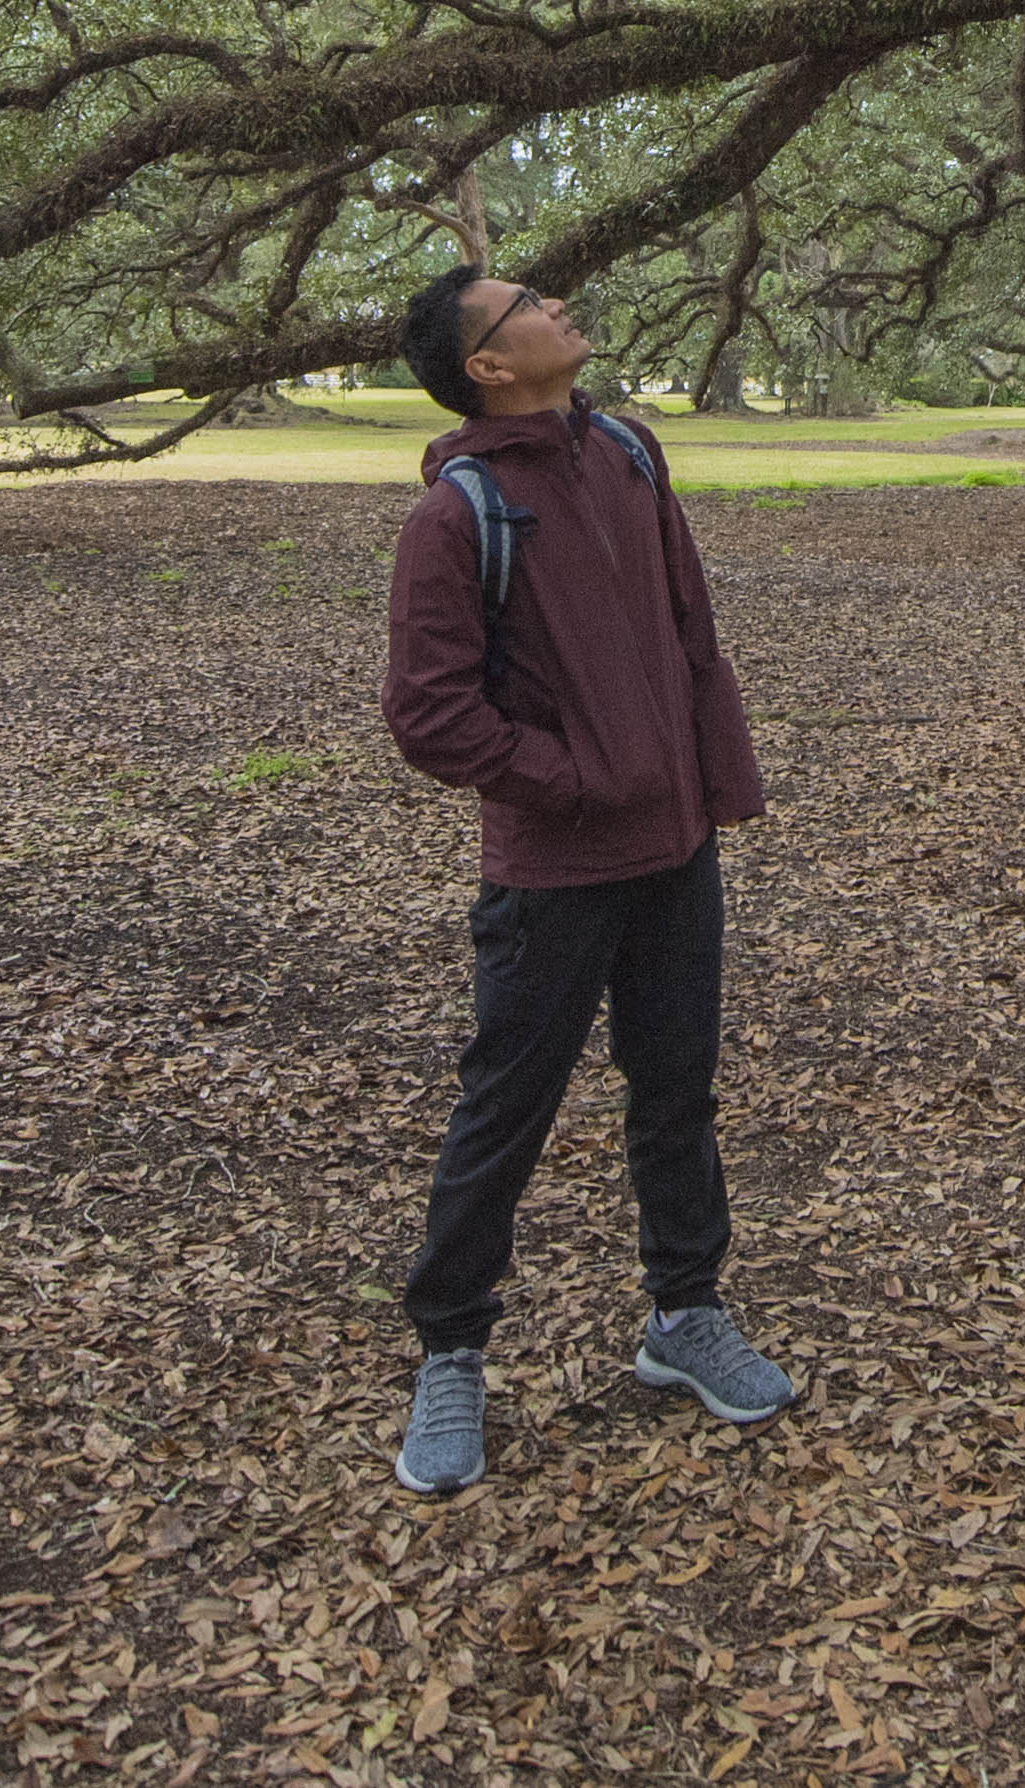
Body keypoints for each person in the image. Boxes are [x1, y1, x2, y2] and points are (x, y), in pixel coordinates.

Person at [372, 265, 799, 1497]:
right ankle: (451, 1349)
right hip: (554, 873)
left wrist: (707, 783)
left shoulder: (626, 451)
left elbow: (688, 629)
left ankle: (685, 1316)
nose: (557, 303)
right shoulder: (456, 516)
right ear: (490, 367)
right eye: (525, 306)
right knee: (505, 1111)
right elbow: (428, 716)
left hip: (677, 854)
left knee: (676, 1093)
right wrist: (577, 779)